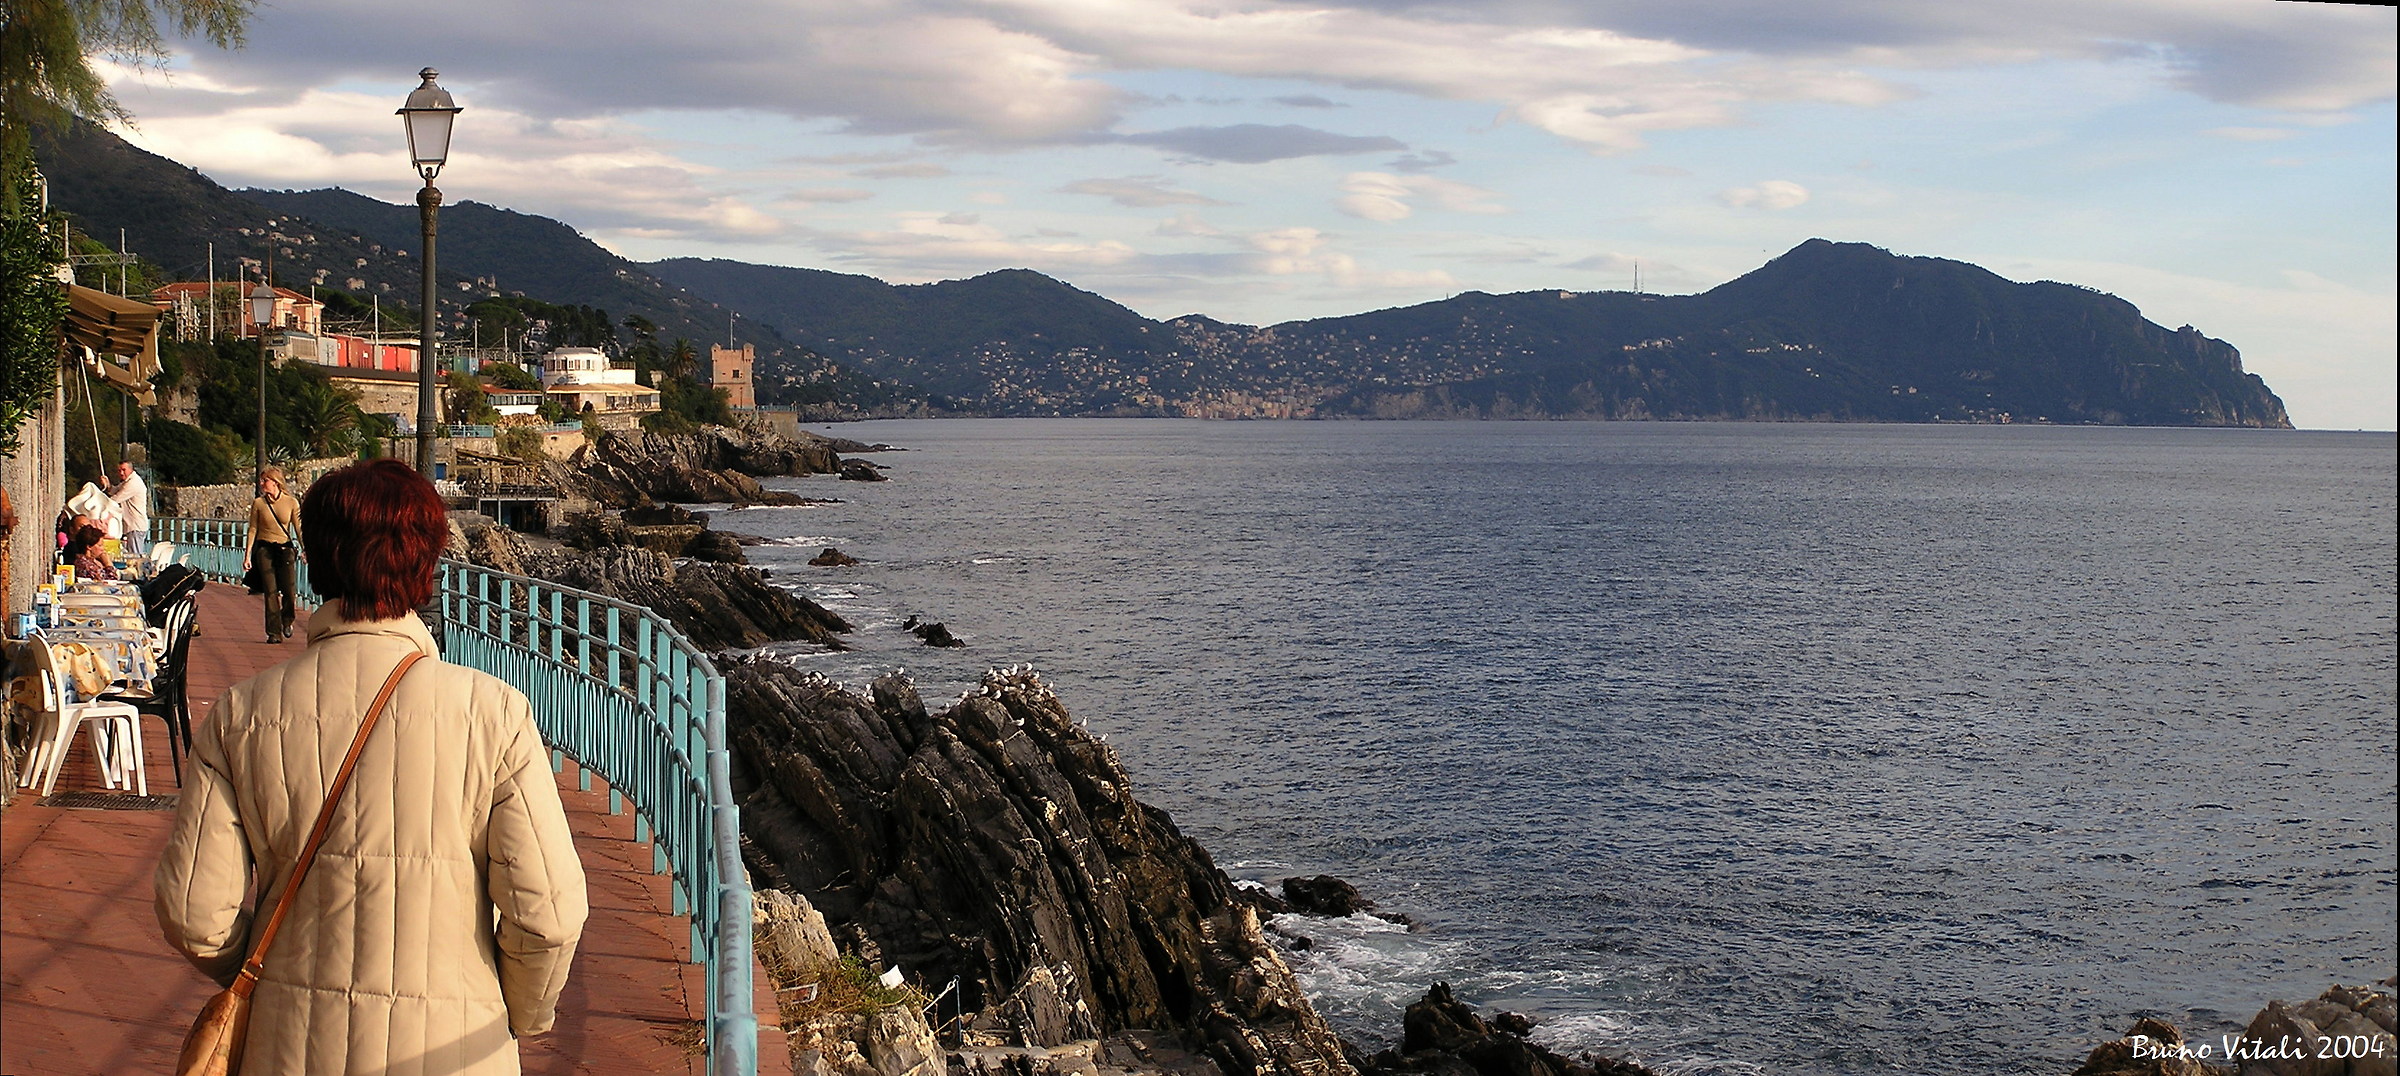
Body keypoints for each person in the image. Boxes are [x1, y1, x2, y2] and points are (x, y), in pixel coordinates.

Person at [155, 458, 587, 1075]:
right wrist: (516, 1012)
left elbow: (194, 913)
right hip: (456, 1051)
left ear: (316, 561)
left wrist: (265, 972)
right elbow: (548, 915)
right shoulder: (493, 714)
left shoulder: (239, 715)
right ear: (426, 565)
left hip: (287, 1046)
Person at [245, 467, 303, 643]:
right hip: (265, 549)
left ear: (275, 482)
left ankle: (287, 620)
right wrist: (247, 555)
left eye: (265, 481)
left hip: (285, 550)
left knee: (288, 590)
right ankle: (273, 632)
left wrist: (305, 548)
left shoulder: (291, 502)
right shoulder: (259, 504)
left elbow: (299, 528)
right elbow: (253, 529)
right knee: (270, 591)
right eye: (261, 481)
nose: (262, 484)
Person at [108, 460, 150, 552]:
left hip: (135, 525)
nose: (121, 473)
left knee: (135, 556)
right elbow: (114, 490)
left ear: (131, 469)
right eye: (119, 470)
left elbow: (116, 498)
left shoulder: (133, 483)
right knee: (133, 553)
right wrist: (107, 485)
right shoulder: (127, 481)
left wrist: (101, 504)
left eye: (123, 470)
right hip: (132, 526)